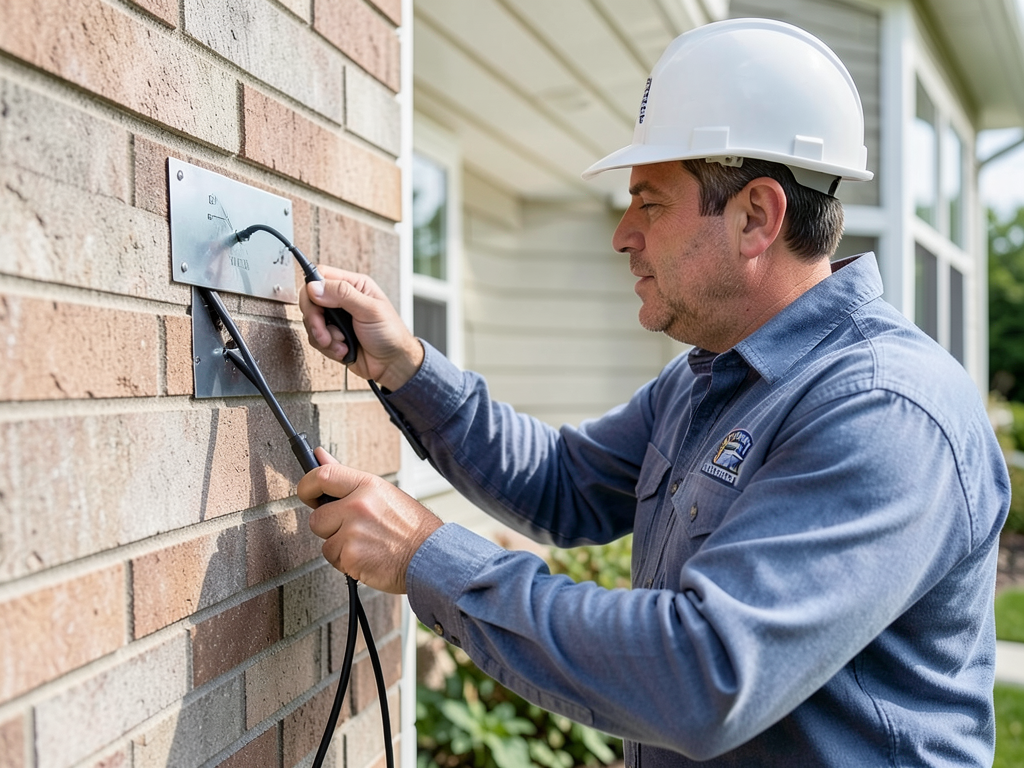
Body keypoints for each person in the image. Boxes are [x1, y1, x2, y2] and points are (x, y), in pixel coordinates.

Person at [296, 18, 1010, 767]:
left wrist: (424, 554)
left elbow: (705, 675)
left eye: (651, 203)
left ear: (756, 217)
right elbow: (561, 482)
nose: (623, 234)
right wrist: (405, 364)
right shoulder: (709, 376)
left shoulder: (885, 410)